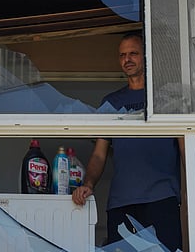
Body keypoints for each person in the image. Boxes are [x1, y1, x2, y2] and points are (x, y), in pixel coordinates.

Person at [72, 32, 184, 251]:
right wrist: (88, 184)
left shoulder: (168, 100)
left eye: (133, 53)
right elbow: (98, 154)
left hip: (162, 199)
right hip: (121, 201)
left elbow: (185, 148)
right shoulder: (112, 103)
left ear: (146, 57)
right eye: (122, 55)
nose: (127, 59)